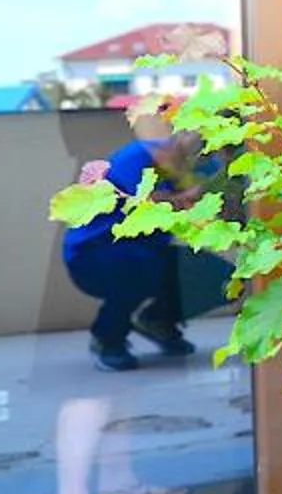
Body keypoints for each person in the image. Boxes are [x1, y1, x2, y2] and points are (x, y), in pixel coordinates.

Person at [61, 107, 204, 372]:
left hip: (147, 251)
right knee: (140, 266)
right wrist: (185, 199)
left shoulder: (198, 166)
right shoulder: (140, 155)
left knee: (215, 274)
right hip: (94, 253)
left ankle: (157, 321)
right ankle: (107, 338)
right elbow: (140, 204)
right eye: (201, 135)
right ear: (182, 131)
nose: (205, 145)